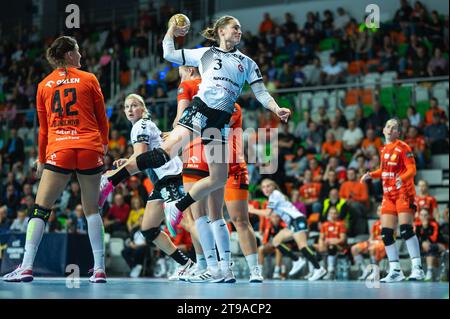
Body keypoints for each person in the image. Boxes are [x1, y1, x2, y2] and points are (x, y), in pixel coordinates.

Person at [98, 15, 291, 236]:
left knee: (219, 178)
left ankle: (177, 206)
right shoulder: (205, 54)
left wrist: (276, 108)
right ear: (221, 31)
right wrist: (171, 30)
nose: (239, 31)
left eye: (240, 28)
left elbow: (261, 92)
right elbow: (168, 54)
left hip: (220, 121)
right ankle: (110, 179)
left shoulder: (247, 63)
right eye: (234, 28)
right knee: (164, 154)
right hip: (201, 109)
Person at [3, 36, 109, 283]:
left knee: (40, 209)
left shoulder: (44, 85)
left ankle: (27, 266)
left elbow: (43, 129)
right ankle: (100, 268)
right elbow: (102, 117)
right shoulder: (90, 79)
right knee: (92, 210)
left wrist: (41, 159)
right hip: (89, 147)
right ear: (69, 54)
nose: (81, 56)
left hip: (59, 148)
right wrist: (103, 144)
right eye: (78, 51)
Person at [177, 67, 263, 283]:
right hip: (214, 162)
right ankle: (217, 268)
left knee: (236, 219)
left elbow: (194, 123)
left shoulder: (228, 104)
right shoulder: (214, 101)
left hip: (228, 164)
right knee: (211, 216)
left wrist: (176, 136)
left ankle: (250, 270)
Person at [103, 93, 197, 281]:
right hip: (162, 180)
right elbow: (141, 157)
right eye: (127, 107)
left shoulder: (140, 126)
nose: (130, 109)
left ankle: (214, 264)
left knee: (190, 223)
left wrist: (121, 169)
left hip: (171, 178)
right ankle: (186, 264)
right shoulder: (143, 126)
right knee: (148, 229)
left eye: (134, 105)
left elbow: (140, 159)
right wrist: (128, 160)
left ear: (143, 108)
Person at [361, 118, 425, 282]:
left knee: (405, 230)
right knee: (386, 234)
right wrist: (371, 175)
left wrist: (402, 179)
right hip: (388, 195)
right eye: (388, 126)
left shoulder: (404, 147)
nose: (390, 129)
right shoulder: (383, 149)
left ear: (398, 132)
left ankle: (418, 268)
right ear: (383, 130)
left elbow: (412, 168)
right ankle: (395, 271)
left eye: (394, 127)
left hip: (403, 193)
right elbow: (383, 170)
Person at [248, 179, 327, 281]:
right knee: (276, 241)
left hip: (297, 220)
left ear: (274, 187)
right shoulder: (273, 197)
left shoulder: (275, 194)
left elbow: (268, 213)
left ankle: (318, 268)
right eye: (263, 187)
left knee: (302, 246)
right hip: (291, 223)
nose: (266, 189)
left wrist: (252, 210)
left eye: (268, 186)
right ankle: (297, 260)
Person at [351, 205, 385, 280]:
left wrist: (375, 243)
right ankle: (365, 270)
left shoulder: (390, 223)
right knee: (354, 248)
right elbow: (371, 238)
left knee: (372, 248)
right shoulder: (375, 224)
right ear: (377, 213)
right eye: (379, 210)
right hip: (375, 243)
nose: (381, 212)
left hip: (385, 244)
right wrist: (370, 242)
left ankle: (375, 271)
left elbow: (391, 238)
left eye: (383, 210)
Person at [318, 206, 347, 280]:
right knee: (315, 247)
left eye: (335, 213)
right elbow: (321, 238)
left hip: (339, 247)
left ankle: (330, 271)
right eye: (331, 213)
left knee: (331, 246)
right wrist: (321, 244)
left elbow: (342, 239)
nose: (333, 215)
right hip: (327, 245)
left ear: (338, 215)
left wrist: (331, 241)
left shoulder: (341, 224)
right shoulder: (324, 225)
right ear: (328, 214)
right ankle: (316, 270)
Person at [257, 213, 287, 279]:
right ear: (270, 218)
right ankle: (259, 272)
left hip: (285, 246)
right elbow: (265, 240)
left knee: (279, 248)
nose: (275, 219)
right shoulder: (269, 226)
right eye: (273, 217)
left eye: (277, 217)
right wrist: (267, 244)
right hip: (273, 245)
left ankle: (276, 272)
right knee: (260, 249)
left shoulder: (284, 226)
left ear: (280, 218)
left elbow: (286, 240)